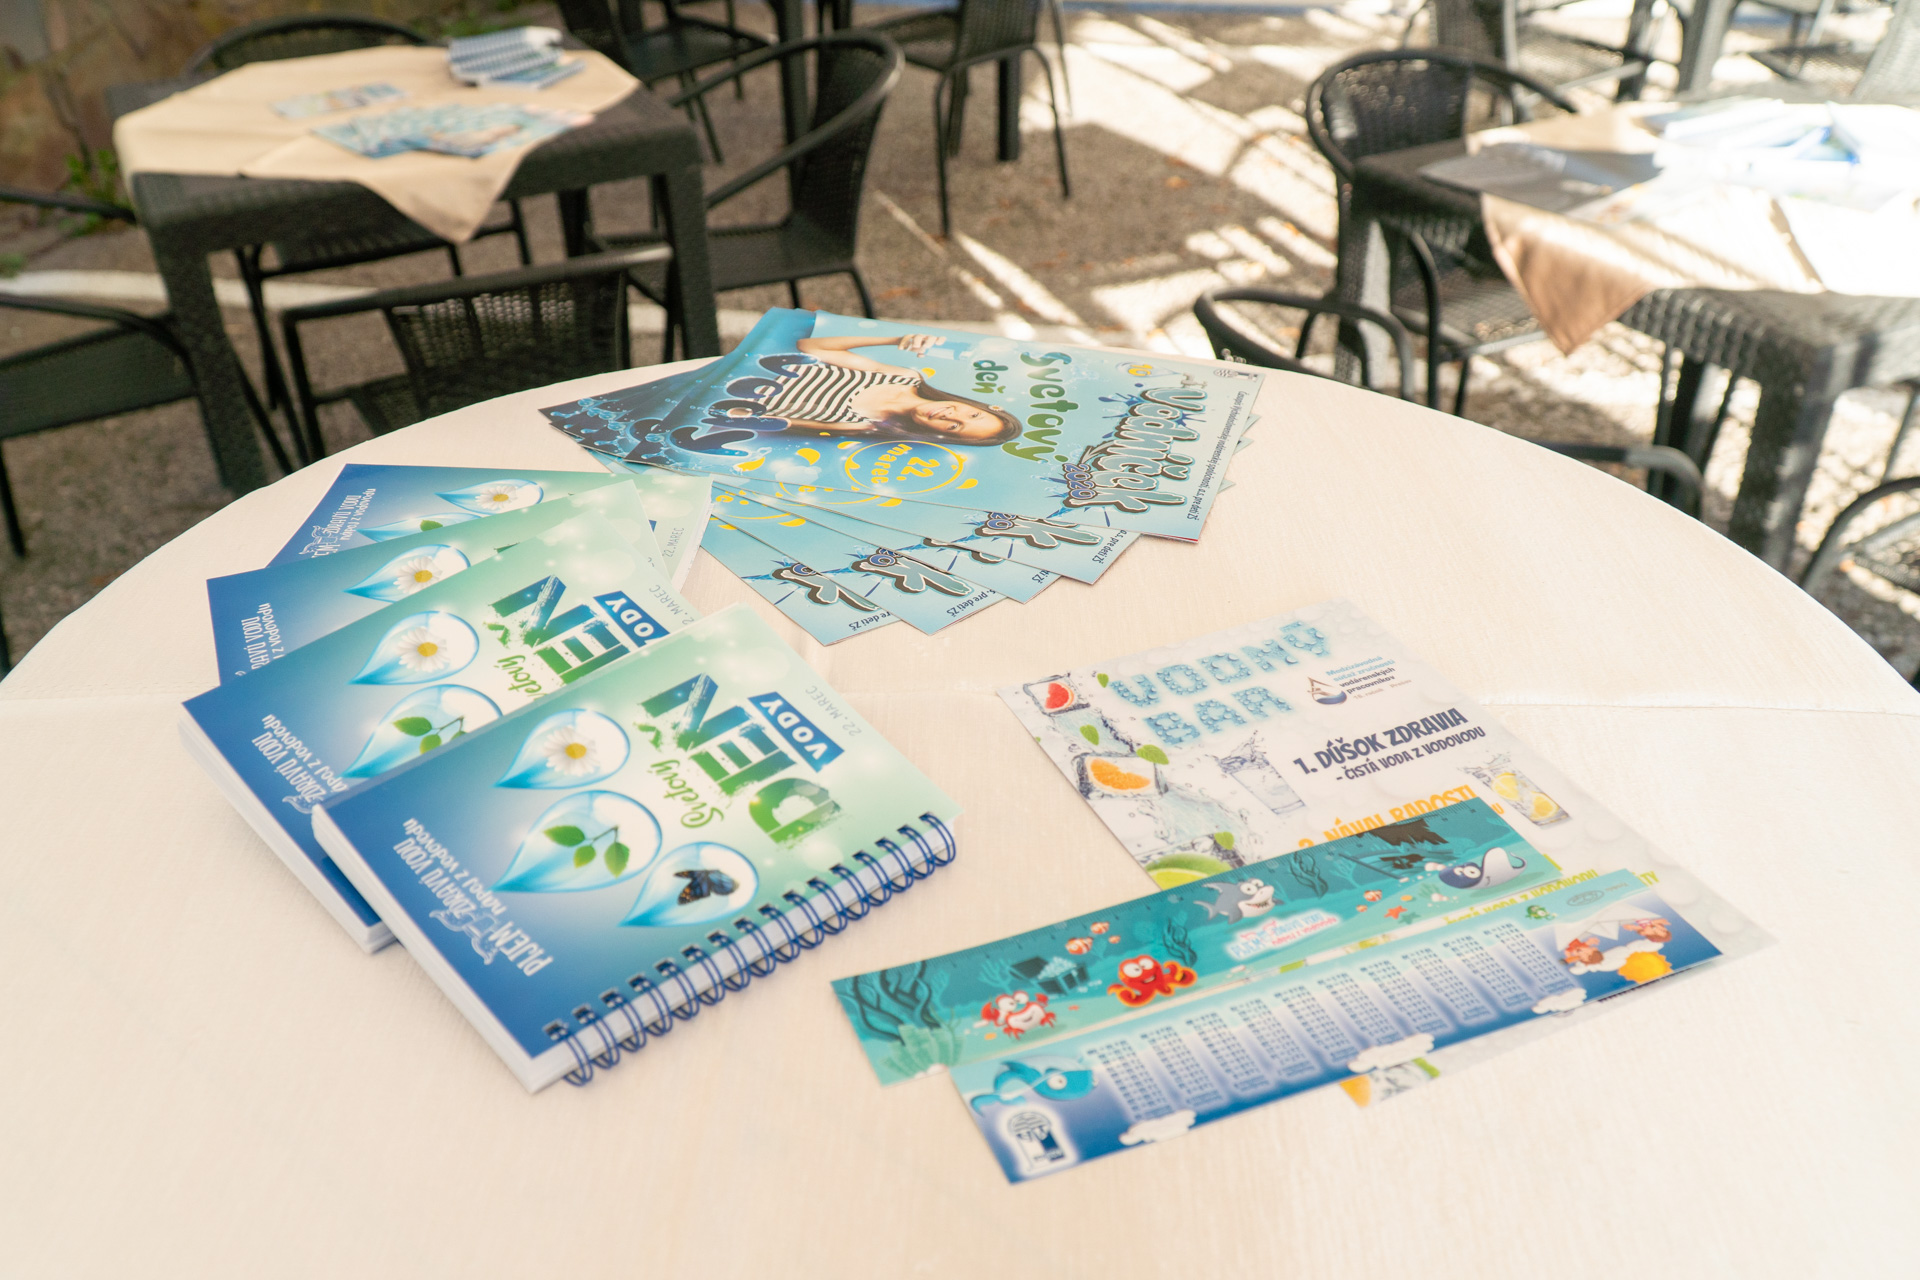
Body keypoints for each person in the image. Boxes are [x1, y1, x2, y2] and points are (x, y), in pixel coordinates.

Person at [738, 333, 1022, 447]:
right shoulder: (904, 378)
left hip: (734, 388)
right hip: (755, 360)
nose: (951, 416)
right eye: (972, 415)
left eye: (954, 427)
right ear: (974, 405)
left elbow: (759, 420)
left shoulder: (859, 425)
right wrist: (895, 339)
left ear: (940, 435)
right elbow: (809, 346)